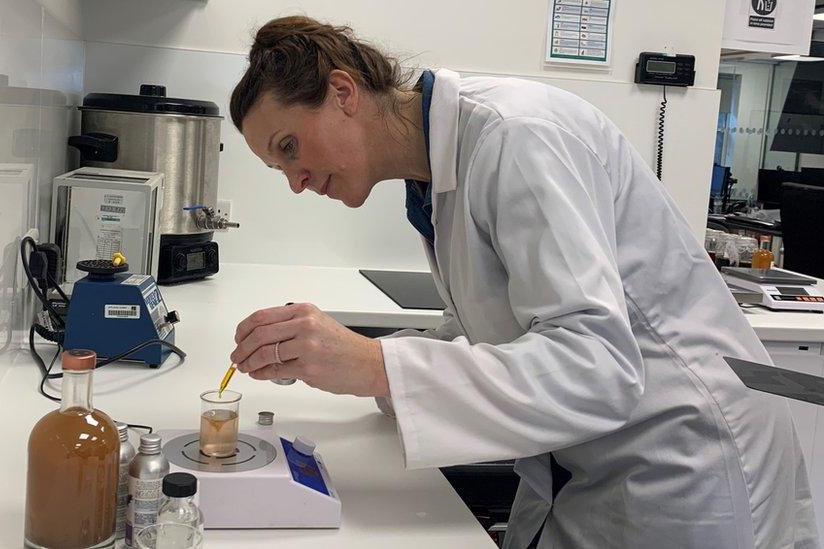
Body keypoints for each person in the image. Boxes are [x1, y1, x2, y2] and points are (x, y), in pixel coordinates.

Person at [227, 15, 818, 548]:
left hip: (681, 464)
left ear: (342, 92)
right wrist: (362, 367)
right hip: (591, 468)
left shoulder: (517, 135)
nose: (296, 181)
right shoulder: (436, 177)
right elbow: (500, 336)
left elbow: (598, 366)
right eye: (280, 168)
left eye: (290, 147)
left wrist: (376, 364)